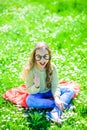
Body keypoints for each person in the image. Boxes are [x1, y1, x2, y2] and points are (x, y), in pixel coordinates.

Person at [22, 42, 75, 124]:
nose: (42, 60)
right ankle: (63, 105)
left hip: (50, 91)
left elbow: (55, 85)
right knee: (30, 101)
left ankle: (55, 111)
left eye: (45, 56)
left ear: (49, 56)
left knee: (70, 90)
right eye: (38, 57)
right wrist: (36, 85)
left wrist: (57, 98)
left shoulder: (52, 67)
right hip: (37, 94)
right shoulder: (30, 70)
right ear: (34, 57)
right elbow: (29, 90)